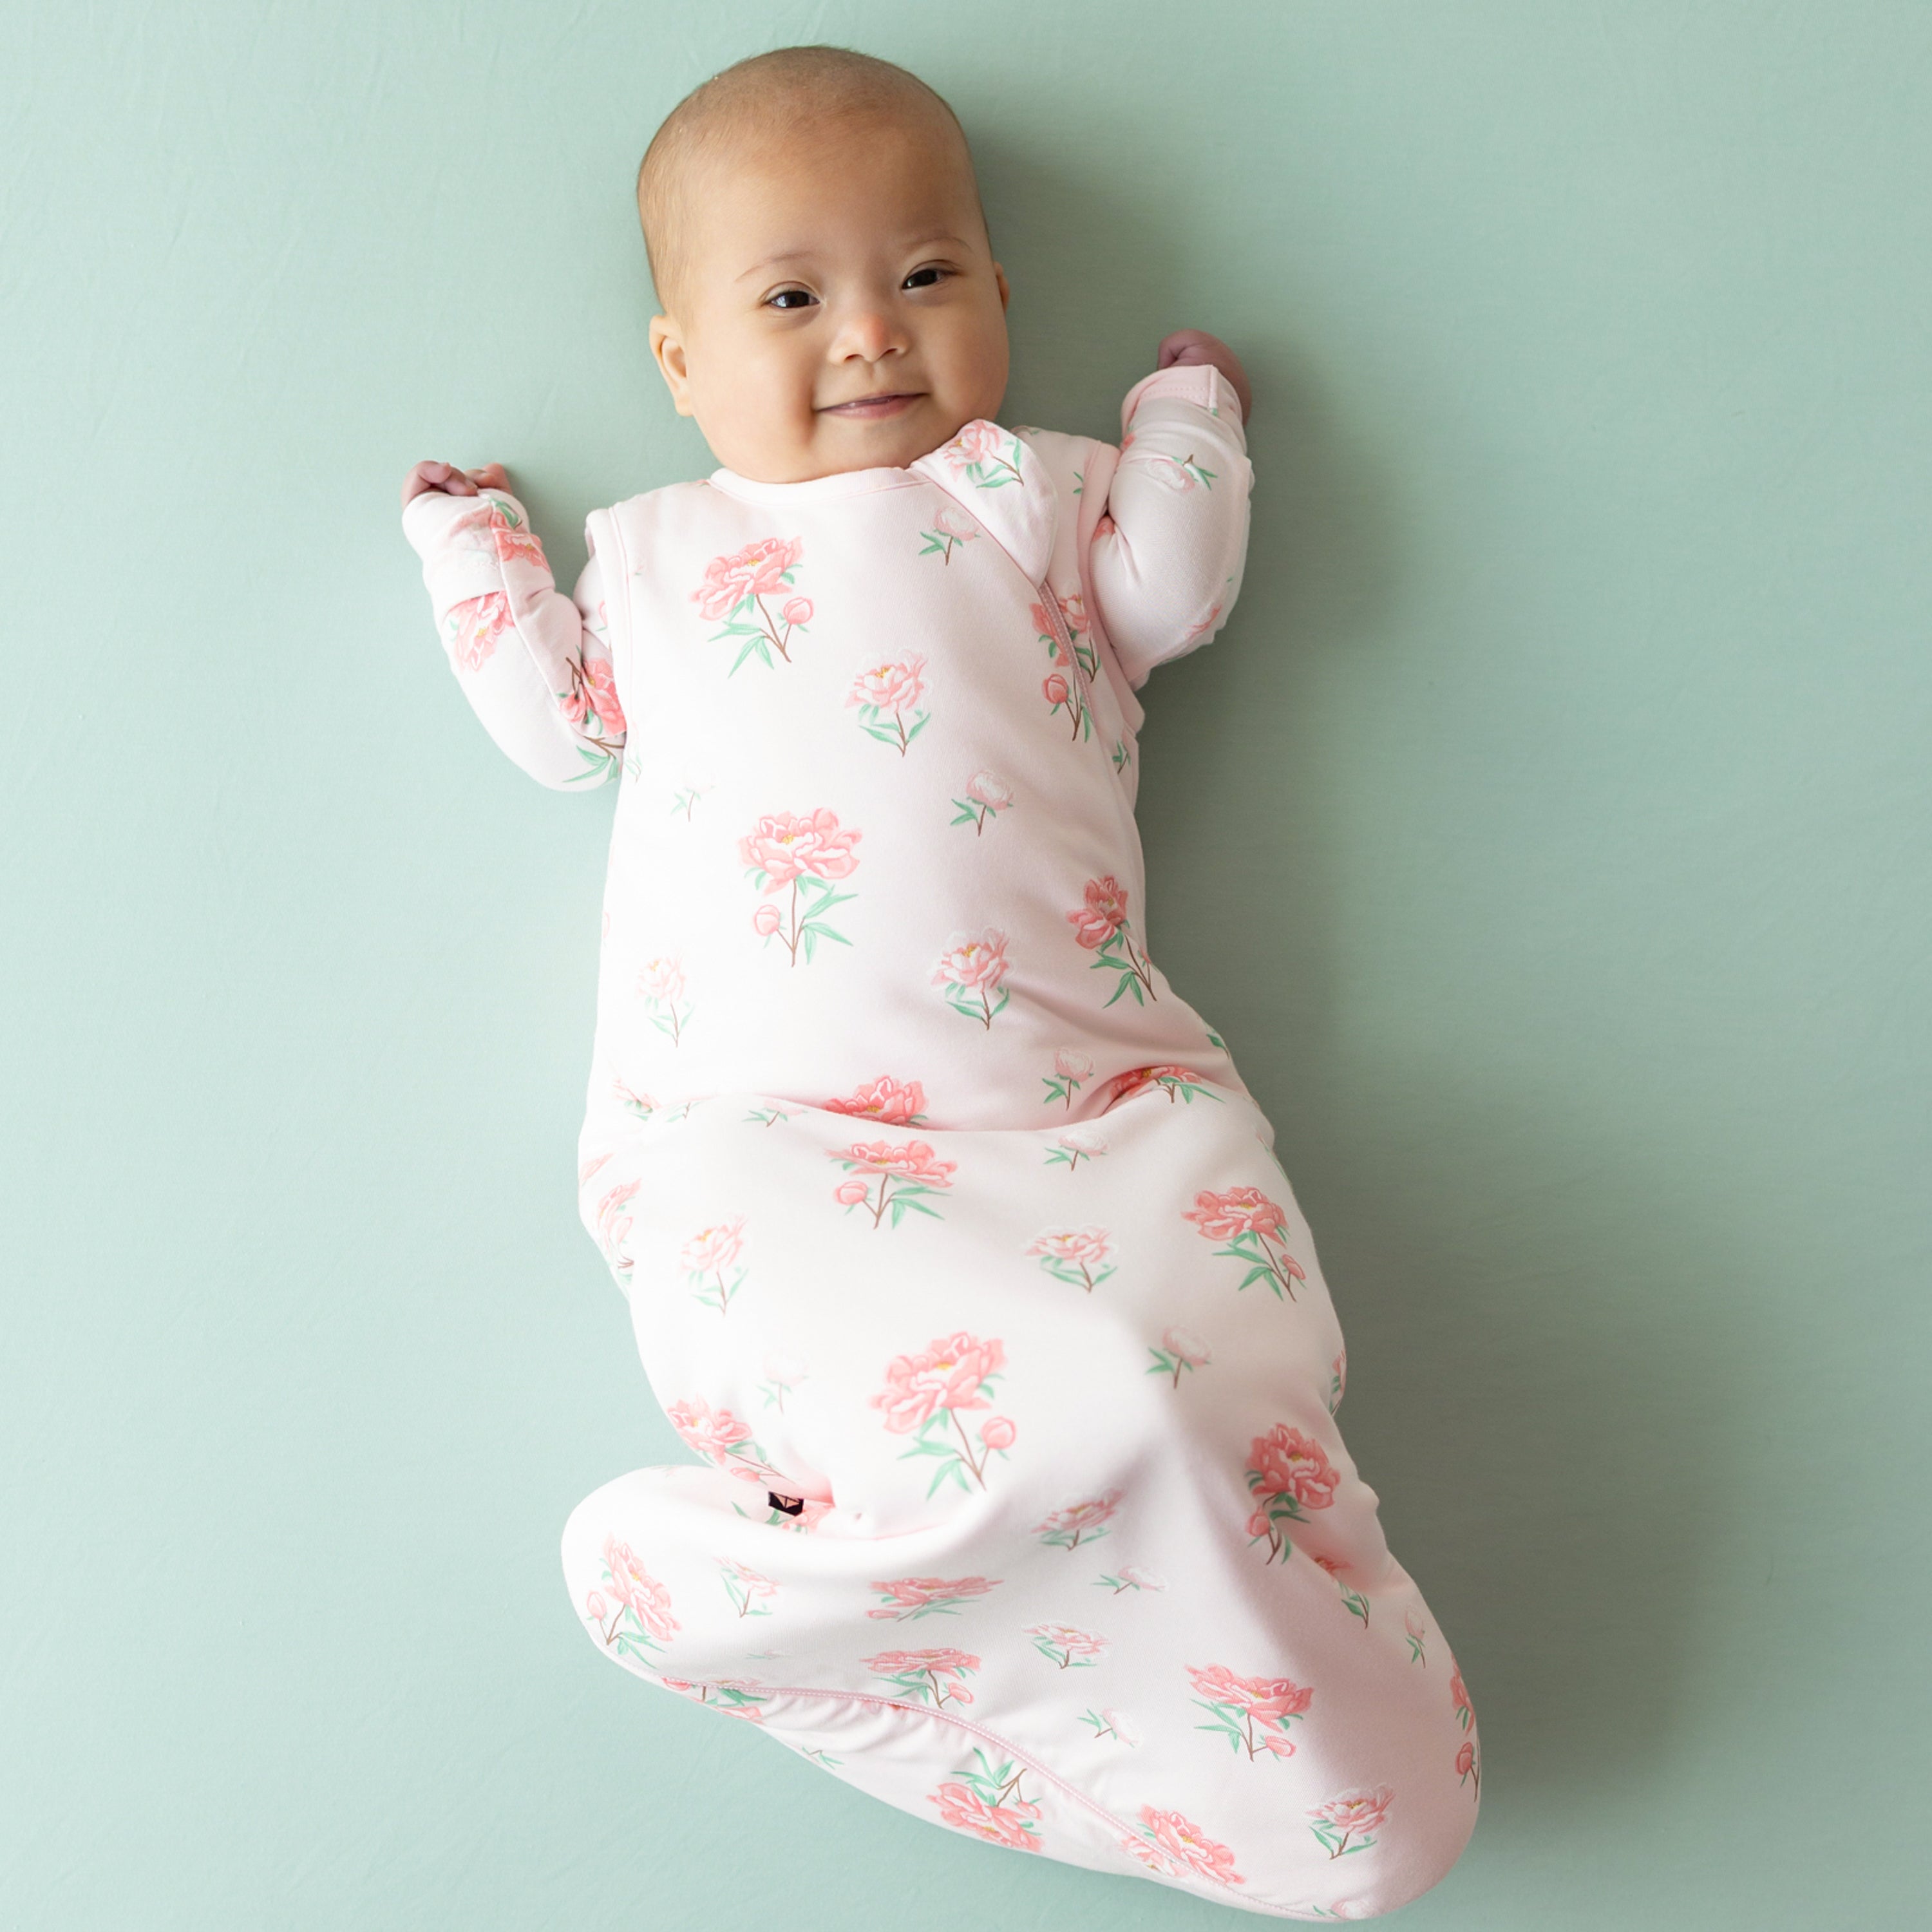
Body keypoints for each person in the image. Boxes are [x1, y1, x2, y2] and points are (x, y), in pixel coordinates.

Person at [400, 44, 1477, 1918]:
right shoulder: (657, 556)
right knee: (997, 1395)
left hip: (1086, 1107)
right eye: (792, 298)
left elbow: (1176, 586)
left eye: (927, 276)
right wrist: (471, 552)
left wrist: (1185, 422)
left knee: (1188, 1376)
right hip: (772, 1134)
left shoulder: (1030, 497)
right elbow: (557, 726)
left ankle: (1318, 1756)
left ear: (995, 296)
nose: (870, 338)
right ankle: (875, 1617)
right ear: (680, 362)